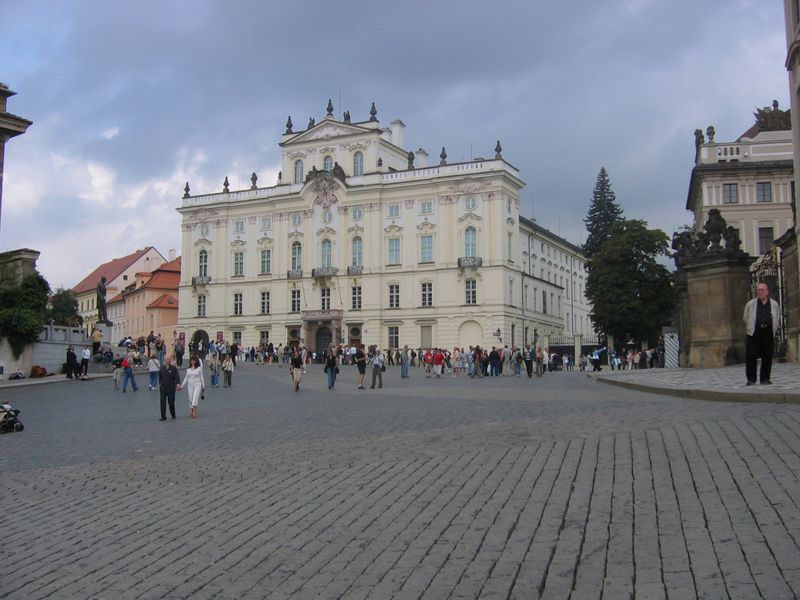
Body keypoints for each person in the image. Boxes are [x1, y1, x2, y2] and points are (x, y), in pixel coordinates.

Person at [743, 282, 781, 385]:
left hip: (768, 333)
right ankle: (751, 379)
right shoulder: (751, 304)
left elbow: (777, 317)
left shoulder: (774, 304)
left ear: (767, 292)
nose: (760, 292)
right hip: (754, 333)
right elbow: (745, 317)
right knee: (751, 356)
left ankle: (765, 379)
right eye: (758, 290)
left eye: (762, 290)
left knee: (767, 356)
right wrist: (751, 326)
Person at [158, 355, 180, 420]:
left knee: (171, 401)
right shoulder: (162, 368)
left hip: (171, 387)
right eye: (167, 359)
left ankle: (173, 414)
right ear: (164, 360)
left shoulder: (173, 368)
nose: (168, 360)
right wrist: (160, 383)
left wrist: (178, 384)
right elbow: (160, 376)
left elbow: (177, 377)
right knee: (162, 401)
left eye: (169, 359)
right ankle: (163, 416)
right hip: (163, 387)